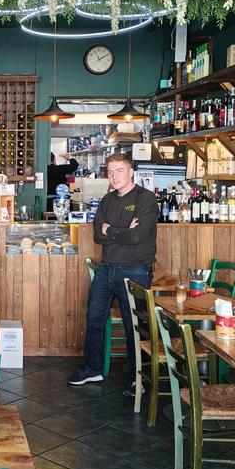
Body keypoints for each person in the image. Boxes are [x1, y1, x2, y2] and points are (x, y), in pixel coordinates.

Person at [68, 153, 158, 389]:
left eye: (119, 170)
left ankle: (138, 378)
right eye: (110, 172)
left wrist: (112, 231)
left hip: (136, 270)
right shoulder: (107, 200)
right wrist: (121, 231)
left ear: (130, 172)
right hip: (106, 268)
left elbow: (138, 236)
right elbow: (98, 235)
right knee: (94, 318)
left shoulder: (145, 199)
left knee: (134, 326)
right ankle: (92, 369)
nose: (114, 176)